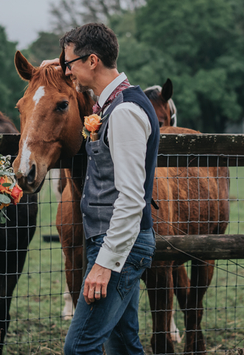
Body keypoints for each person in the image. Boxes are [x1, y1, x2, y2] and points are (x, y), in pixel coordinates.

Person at [60, 23, 159, 354]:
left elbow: (131, 199)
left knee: (79, 347)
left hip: (117, 246)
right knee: (124, 344)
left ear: (91, 61)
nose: (66, 71)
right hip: (114, 242)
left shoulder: (125, 112)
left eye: (68, 64)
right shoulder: (113, 104)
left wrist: (105, 263)